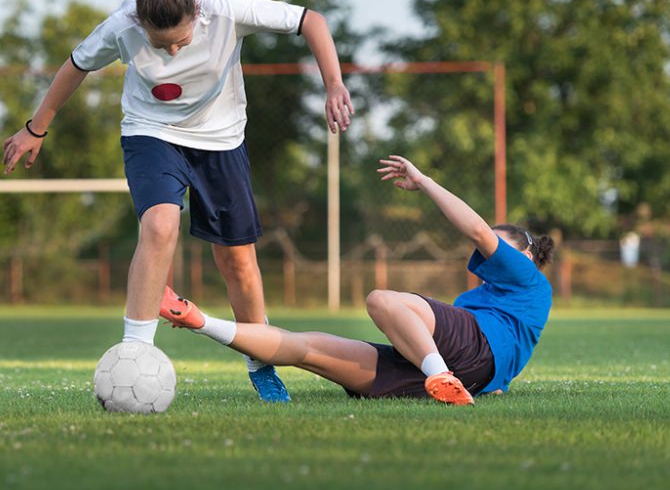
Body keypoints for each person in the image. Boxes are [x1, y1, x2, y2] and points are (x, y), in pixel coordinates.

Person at [2, 0, 354, 402]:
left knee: (237, 261)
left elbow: (312, 20)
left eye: (180, 42)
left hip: (221, 140)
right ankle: (135, 353)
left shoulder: (224, 9)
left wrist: (334, 83)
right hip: (151, 134)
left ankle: (260, 363)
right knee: (159, 224)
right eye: (160, 43)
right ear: (141, 26)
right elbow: (77, 65)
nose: (171, 51)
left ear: (198, 16)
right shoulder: (122, 26)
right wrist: (36, 128)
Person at [160, 154, 554, 405]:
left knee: (383, 300)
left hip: (453, 362)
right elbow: (498, 377)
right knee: (307, 348)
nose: (490, 252)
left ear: (524, 255)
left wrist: (425, 182)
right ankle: (200, 320)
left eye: (499, 248)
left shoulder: (530, 280)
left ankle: (438, 374)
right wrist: (489, 384)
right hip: (462, 374)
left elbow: (478, 233)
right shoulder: (507, 306)